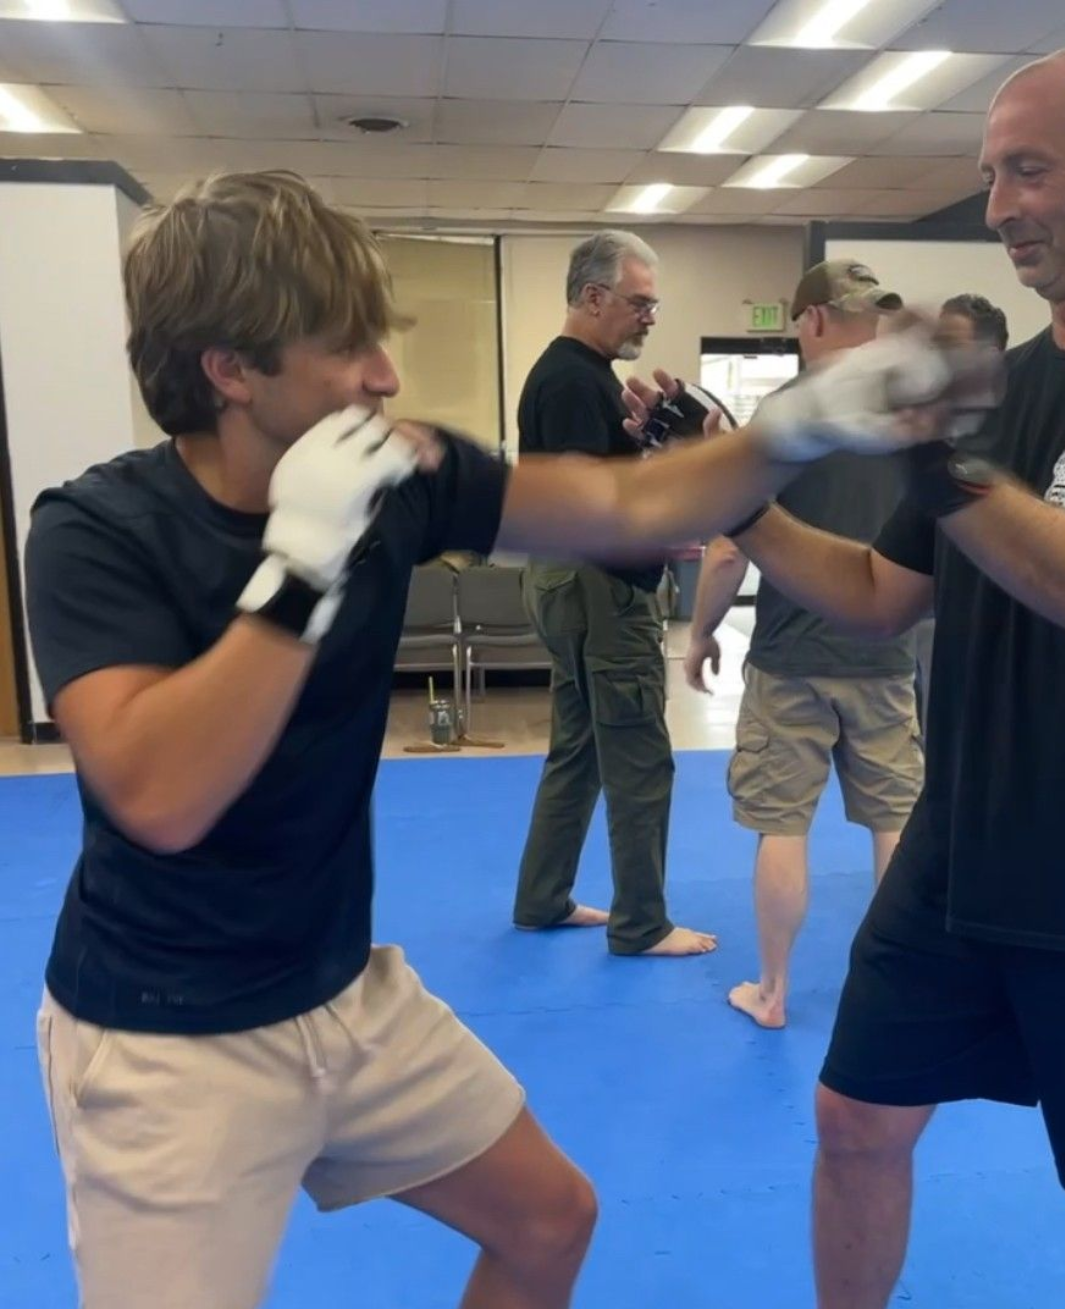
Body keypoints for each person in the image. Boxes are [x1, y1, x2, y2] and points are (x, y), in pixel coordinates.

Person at [24, 170, 980, 1309]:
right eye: (344, 348)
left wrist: (798, 426)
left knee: (547, 1221)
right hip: (164, 1038)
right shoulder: (96, 530)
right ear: (230, 370)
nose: (383, 375)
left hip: (341, 993)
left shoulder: (397, 476)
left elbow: (628, 506)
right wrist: (299, 568)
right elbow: (161, 793)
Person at [649, 42, 1065, 1309]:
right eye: (991, 173)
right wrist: (739, 490)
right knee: (853, 1117)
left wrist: (939, 460)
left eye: (1029, 170)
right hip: (970, 851)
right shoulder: (1004, 392)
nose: (1000, 206)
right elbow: (877, 594)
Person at [684, 259, 923, 1028]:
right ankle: (894, 987)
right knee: (893, 821)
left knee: (781, 825)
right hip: (885, 652)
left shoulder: (782, 417)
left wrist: (700, 633)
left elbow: (728, 549)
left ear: (809, 319)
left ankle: (774, 990)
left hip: (791, 657)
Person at [512, 231, 714, 958]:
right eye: (638, 303)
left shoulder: (577, 375)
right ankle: (642, 923)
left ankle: (541, 897)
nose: (649, 317)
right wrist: (669, 462)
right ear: (593, 297)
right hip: (600, 586)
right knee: (638, 754)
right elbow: (589, 498)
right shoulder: (572, 379)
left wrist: (648, 447)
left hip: (568, 580)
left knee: (580, 749)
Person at [913, 292, 1010, 721]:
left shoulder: (1015, 431)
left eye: (950, 347)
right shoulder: (930, 427)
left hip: (994, 621)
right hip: (926, 608)